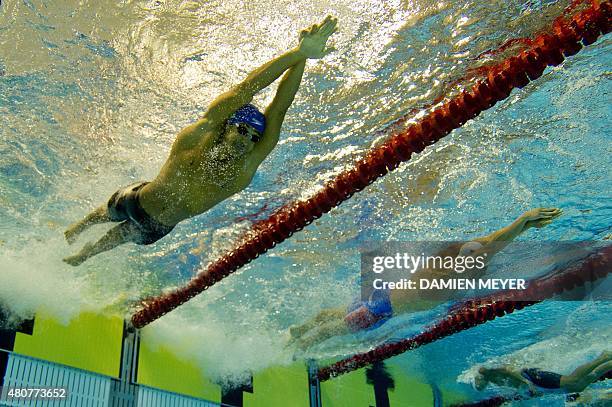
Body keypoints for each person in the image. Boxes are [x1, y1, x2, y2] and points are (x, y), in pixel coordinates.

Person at [63, 16, 338, 266]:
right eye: (242, 130)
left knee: (109, 243)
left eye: (253, 137)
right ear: (225, 128)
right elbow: (246, 89)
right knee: (99, 218)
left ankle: (84, 254)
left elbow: (278, 109)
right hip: (134, 199)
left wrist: (304, 58)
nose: (246, 141)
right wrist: (296, 53)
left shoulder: (245, 168)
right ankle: (76, 229)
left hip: (157, 226)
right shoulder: (197, 137)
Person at [289, 207, 563, 348]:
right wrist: (522, 222)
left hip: (384, 294)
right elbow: (494, 242)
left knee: (334, 314)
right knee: (334, 330)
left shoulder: (452, 258)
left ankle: (299, 331)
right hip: (381, 309)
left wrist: (523, 223)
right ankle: (296, 347)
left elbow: (494, 239)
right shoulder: (460, 267)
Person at [474, 351, 612, 394]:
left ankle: (603, 357)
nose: (480, 387)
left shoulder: (487, 371)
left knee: (573, 380)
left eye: (479, 384)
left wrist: (526, 381)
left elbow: (508, 369)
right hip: (534, 383)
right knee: (578, 386)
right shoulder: (493, 381)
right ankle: (609, 364)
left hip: (532, 377)